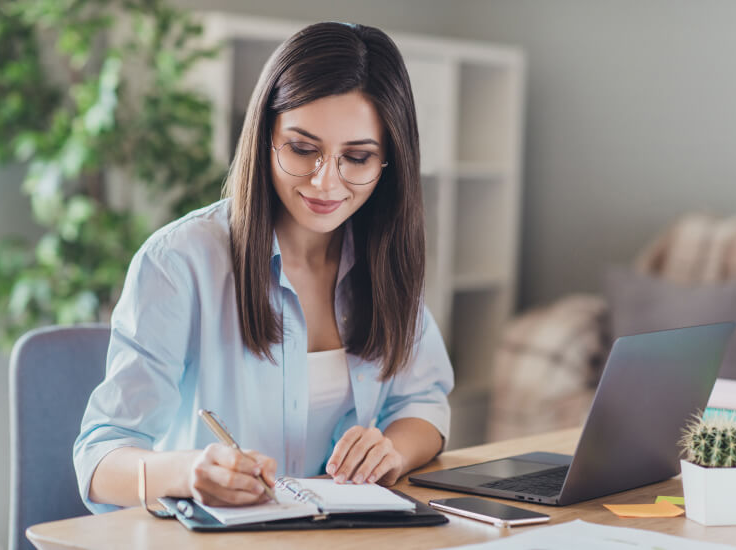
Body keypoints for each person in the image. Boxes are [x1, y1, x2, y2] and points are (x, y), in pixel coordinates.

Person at [73, 21, 454, 513]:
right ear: (264, 138)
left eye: (357, 158)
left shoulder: (384, 257)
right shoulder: (179, 263)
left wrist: (392, 449)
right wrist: (191, 473)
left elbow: (424, 403)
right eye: (302, 149)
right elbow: (98, 459)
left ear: (389, 163)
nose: (326, 183)